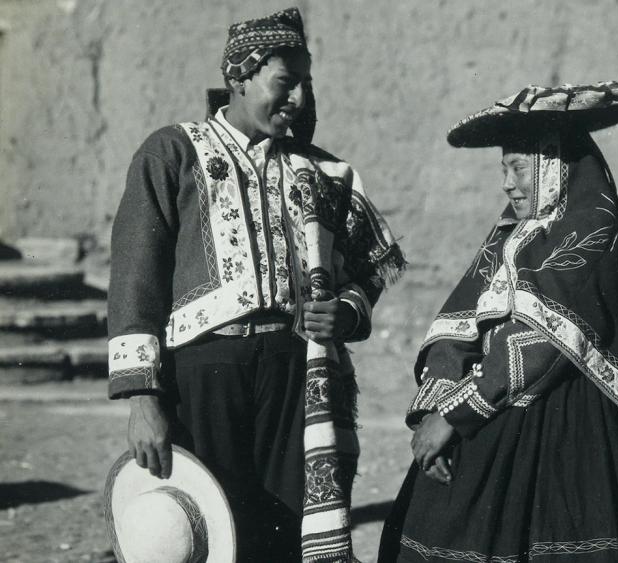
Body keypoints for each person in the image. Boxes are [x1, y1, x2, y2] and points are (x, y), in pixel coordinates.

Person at [107, 8, 404, 562]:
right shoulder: (174, 152)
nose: (298, 98)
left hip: (294, 372)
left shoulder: (323, 172)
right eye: (284, 83)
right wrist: (143, 399)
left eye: (305, 84)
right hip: (204, 373)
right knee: (212, 527)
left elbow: (370, 266)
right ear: (239, 77)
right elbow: (135, 277)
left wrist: (347, 309)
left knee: (285, 531)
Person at [379, 82, 618, 563]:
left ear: (554, 167)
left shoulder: (593, 230)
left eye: (519, 167)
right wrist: (435, 405)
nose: (507, 183)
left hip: (569, 425)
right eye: (503, 169)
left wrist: (454, 417)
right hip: (491, 406)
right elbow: (459, 320)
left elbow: (540, 341)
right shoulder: (510, 236)